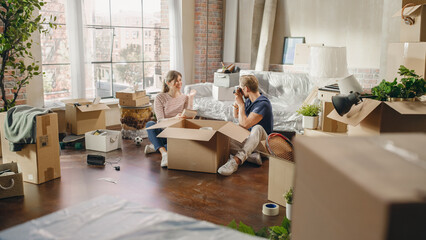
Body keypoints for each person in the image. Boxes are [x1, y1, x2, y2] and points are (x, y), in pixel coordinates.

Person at [218, 75, 273, 176]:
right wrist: (237, 102)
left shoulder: (263, 103)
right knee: (224, 137)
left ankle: (236, 161)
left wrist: (241, 105)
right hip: (251, 143)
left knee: (257, 128)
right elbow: (236, 117)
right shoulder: (249, 101)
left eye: (241, 88)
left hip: (264, 145)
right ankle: (252, 157)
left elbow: (244, 124)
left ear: (246, 89)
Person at [144, 70, 196, 168]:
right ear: (168, 83)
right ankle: (164, 154)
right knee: (150, 124)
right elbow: (160, 121)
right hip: (163, 131)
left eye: (180, 80)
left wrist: (191, 98)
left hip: (177, 132)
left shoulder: (184, 97)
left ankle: (156, 146)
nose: (179, 83)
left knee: (185, 144)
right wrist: (174, 118)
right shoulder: (160, 97)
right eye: (176, 81)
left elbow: (189, 116)